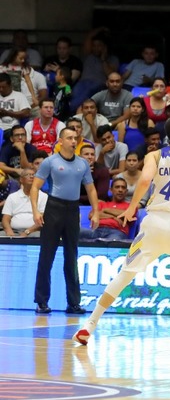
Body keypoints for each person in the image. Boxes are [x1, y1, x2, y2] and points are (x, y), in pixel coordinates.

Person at [72, 115, 170, 347]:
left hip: (155, 222)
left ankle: (89, 325)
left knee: (124, 275)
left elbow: (144, 180)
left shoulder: (155, 155)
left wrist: (131, 208)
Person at [32, 127, 100, 315]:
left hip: (72, 210)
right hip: (54, 208)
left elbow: (91, 189)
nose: (73, 140)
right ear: (60, 141)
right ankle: (41, 301)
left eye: (75, 138)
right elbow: (35, 187)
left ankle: (74, 303)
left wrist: (96, 211)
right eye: (69, 137)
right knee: (47, 256)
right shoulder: (50, 162)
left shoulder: (82, 164)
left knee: (72, 257)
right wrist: (36, 211)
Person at [78, 177, 132, 241]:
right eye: (117, 187)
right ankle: (95, 242)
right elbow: (92, 215)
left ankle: (93, 242)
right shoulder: (102, 204)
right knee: (73, 231)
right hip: (96, 231)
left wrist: (105, 210)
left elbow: (126, 214)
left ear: (126, 191)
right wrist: (113, 217)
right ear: (111, 190)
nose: (120, 190)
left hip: (116, 232)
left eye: (123, 187)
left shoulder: (131, 206)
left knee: (113, 242)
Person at [0, 169, 45, 238]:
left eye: (34, 175)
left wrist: (27, 232)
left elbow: (42, 219)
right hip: (14, 231)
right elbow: (5, 218)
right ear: (21, 180)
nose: (31, 177)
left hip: (34, 231)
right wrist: (9, 231)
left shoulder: (44, 196)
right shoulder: (12, 196)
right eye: (28, 175)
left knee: (39, 236)